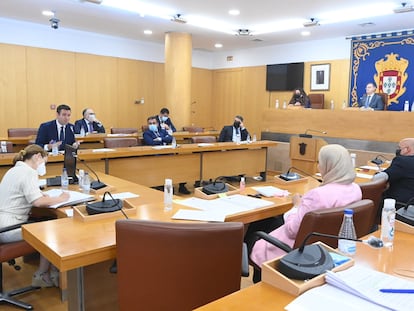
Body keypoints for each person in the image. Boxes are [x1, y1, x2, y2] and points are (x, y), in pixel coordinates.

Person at [249, 144, 362, 282]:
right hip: (329, 246)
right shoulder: (356, 189)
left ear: (329, 166)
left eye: (320, 162)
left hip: (299, 251)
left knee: (253, 234)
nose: (318, 167)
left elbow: (292, 230)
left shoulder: (317, 195)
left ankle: (261, 281)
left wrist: (296, 206)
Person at [0, 145, 70, 287]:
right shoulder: (29, 172)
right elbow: (37, 202)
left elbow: (23, 193)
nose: (44, 166)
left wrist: (40, 194)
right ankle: (42, 274)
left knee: (46, 221)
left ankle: (50, 270)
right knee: (51, 229)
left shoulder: (14, 170)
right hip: (8, 229)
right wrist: (62, 198)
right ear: (37, 156)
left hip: (2, 223)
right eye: (44, 162)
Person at [156, 108, 190, 194]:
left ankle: (182, 185)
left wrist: (168, 128)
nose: (166, 118)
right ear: (160, 114)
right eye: (164, 116)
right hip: (158, 151)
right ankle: (161, 184)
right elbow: (158, 133)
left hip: (167, 148)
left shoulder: (168, 120)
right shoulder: (154, 120)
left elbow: (173, 130)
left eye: (167, 116)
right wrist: (165, 133)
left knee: (180, 163)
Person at [372, 138, 414, 207]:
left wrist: (377, 174)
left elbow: (378, 178)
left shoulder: (402, 161)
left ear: (407, 149)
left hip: (401, 206)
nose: (398, 150)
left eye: (399, 148)